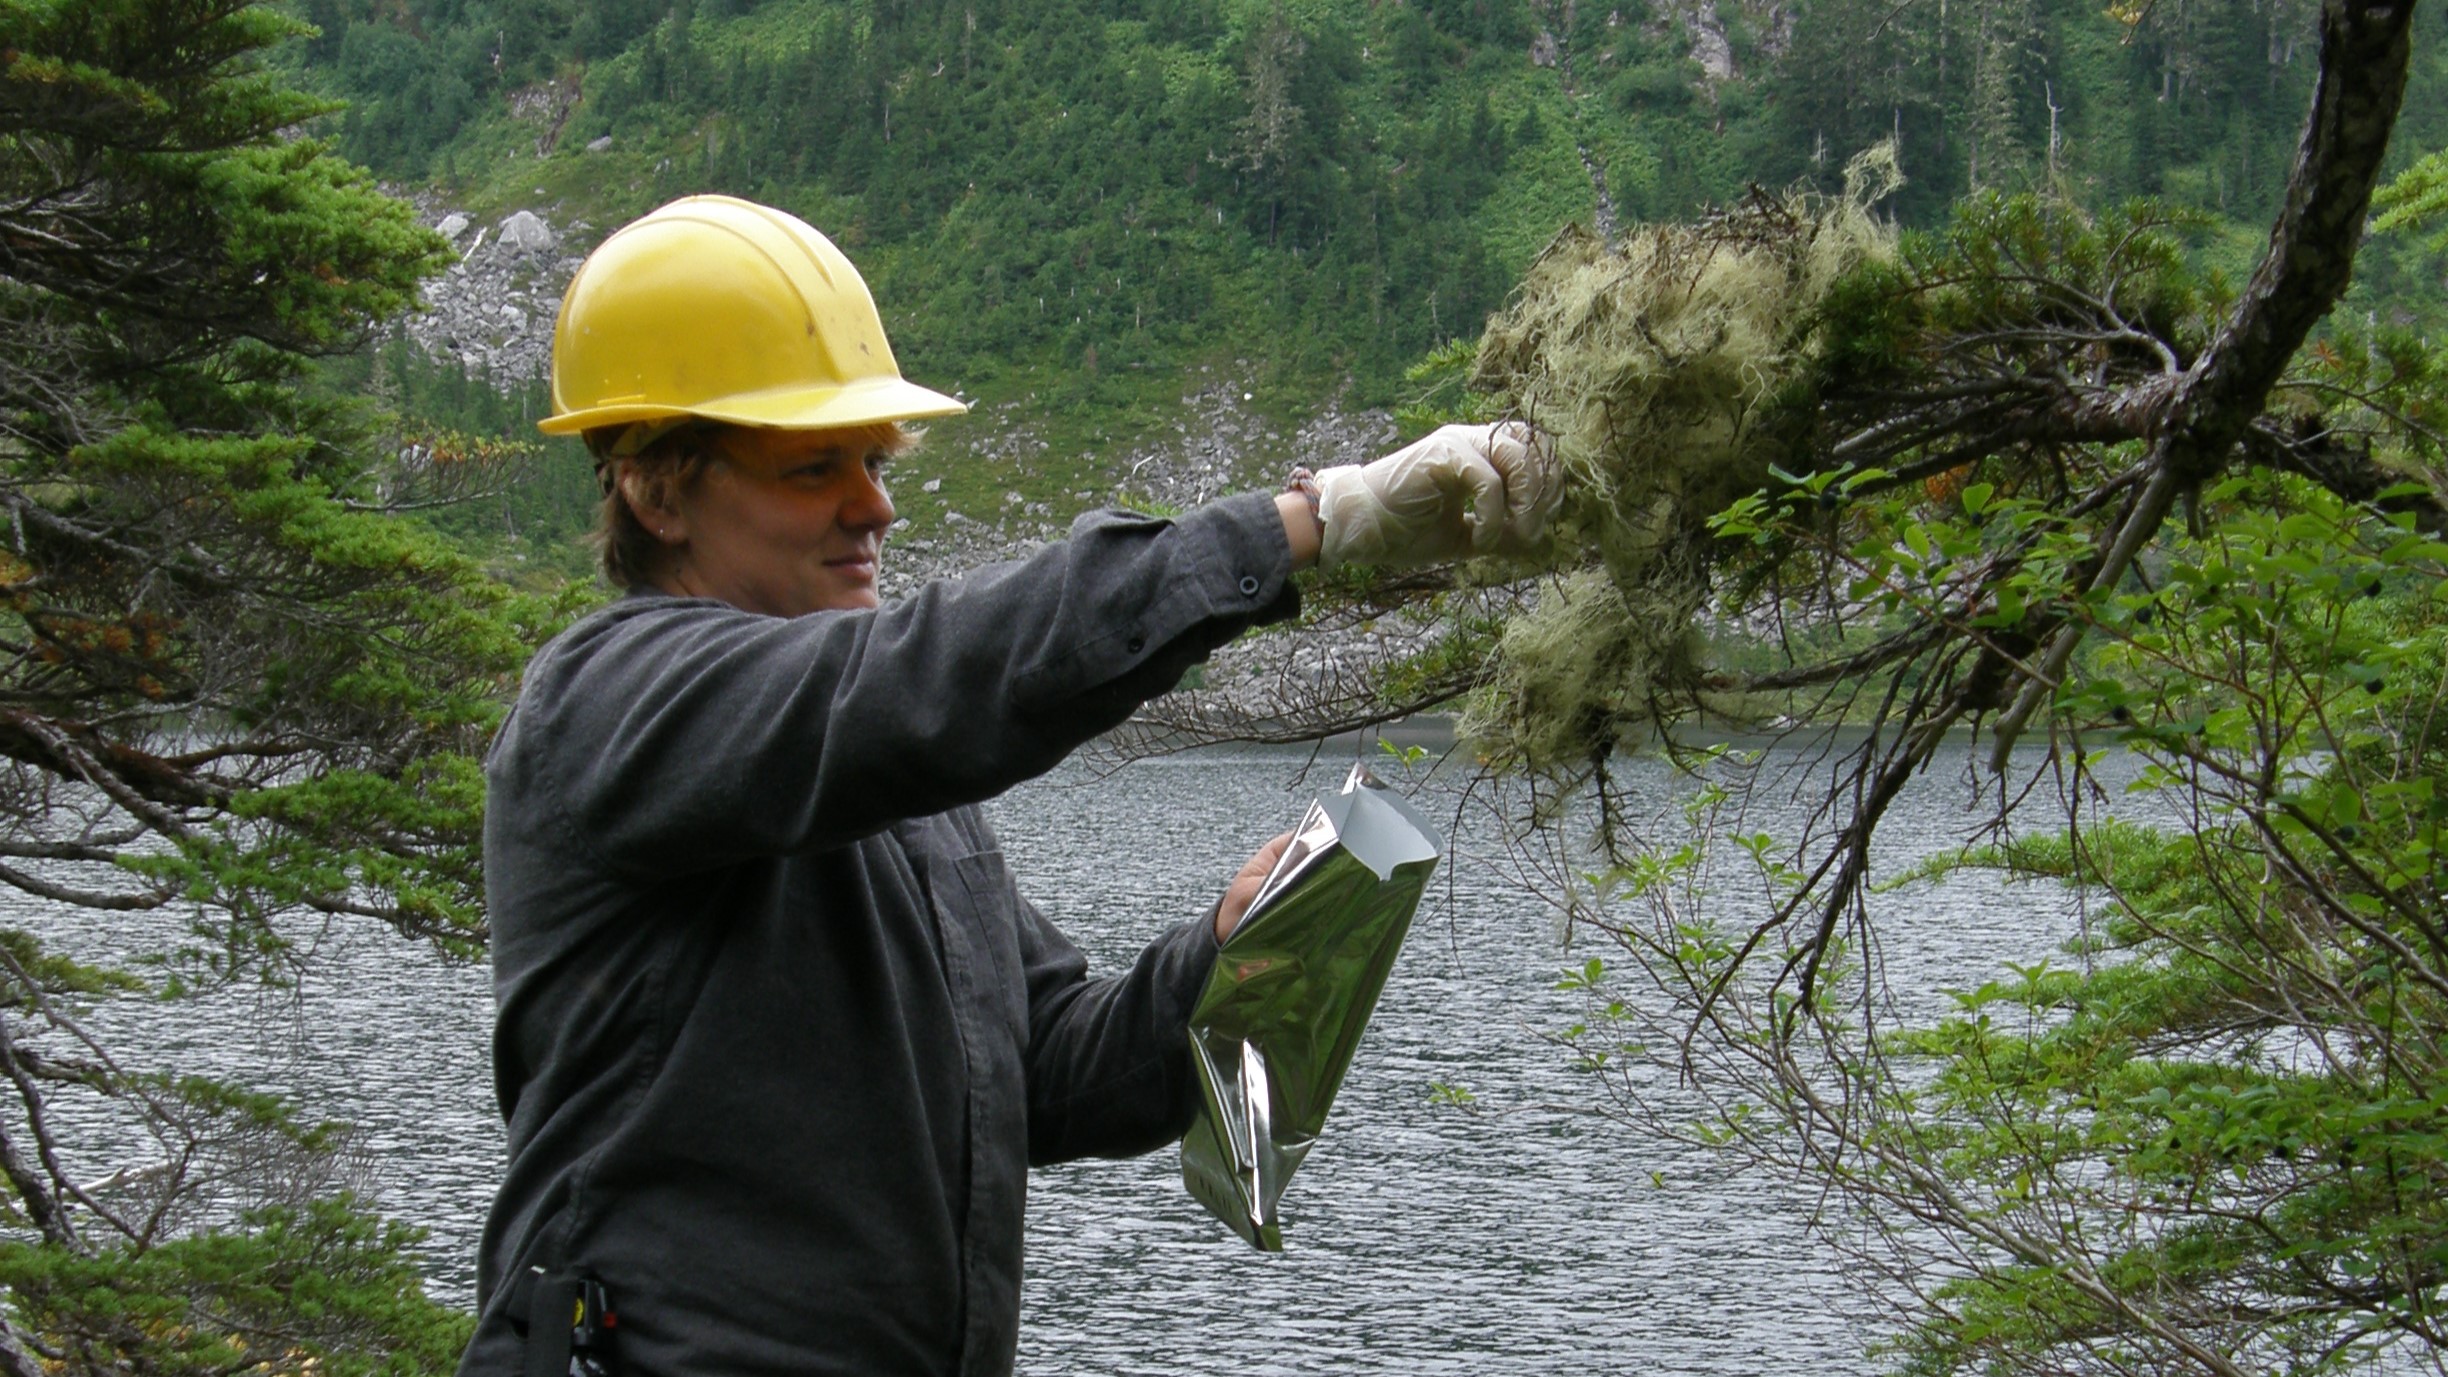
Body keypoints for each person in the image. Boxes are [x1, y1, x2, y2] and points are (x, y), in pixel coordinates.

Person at [458, 195, 1557, 1377]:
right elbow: (944, 678)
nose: (874, 507)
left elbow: (1042, 1069)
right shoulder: (611, 701)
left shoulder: (886, 774)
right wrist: (1314, 522)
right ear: (655, 491)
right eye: (814, 465)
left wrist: (1224, 951)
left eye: (875, 462)